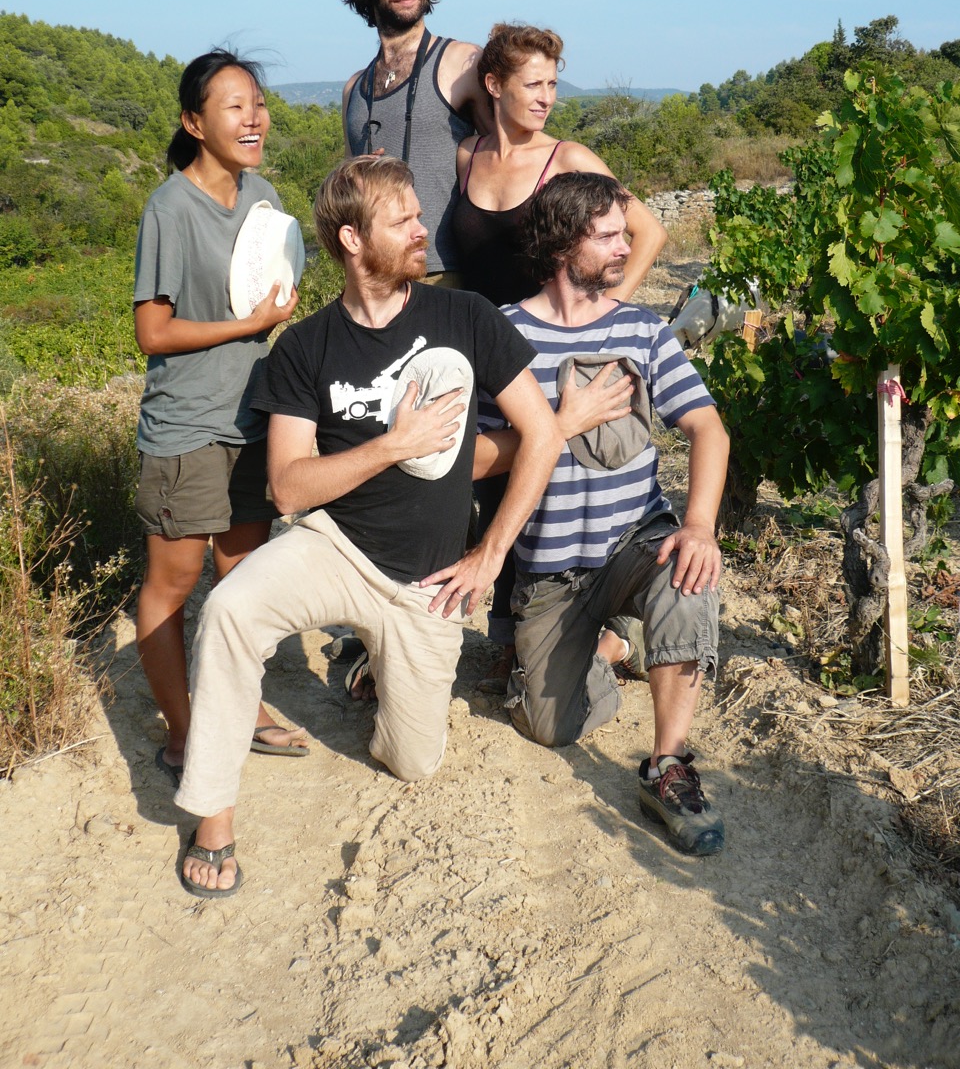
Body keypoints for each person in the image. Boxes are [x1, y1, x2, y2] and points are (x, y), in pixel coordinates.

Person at [175, 155, 563, 897]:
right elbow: (288, 485)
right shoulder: (306, 348)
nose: (423, 231)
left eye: (419, 215)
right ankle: (213, 818)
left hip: (428, 581)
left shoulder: (466, 316)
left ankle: (372, 665)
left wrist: (489, 554)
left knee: (414, 761)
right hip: (336, 547)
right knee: (227, 610)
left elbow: (540, 435)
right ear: (352, 240)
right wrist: (393, 444)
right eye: (403, 221)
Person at [475, 172, 730, 856]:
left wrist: (699, 526)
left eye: (625, 234)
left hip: (632, 545)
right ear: (562, 245)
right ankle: (615, 644)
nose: (626, 249)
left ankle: (667, 765)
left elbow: (709, 430)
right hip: (550, 573)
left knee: (688, 577)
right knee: (551, 726)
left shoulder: (641, 330)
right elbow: (469, 460)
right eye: (609, 236)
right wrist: (557, 424)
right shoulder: (502, 333)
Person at [451, 23, 668, 690]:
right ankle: (513, 634)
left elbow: (648, 229)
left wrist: (607, 324)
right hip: (486, 353)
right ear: (495, 86)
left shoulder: (569, 157)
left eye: (552, 81)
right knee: (492, 483)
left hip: (552, 355)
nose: (547, 95)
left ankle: (600, 632)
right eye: (533, 83)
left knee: (548, 489)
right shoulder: (466, 157)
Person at [134, 49, 308, 788]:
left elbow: (266, 291)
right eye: (234, 106)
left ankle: (247, 706)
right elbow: (154, 331)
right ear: (193, 121)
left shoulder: (262, 194)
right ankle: (183, 732)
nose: (254, 117)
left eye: (258, 103)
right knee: (172, 585)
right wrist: (249, 327)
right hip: (186, 427)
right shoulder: (169, 208)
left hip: (252, 416)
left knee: (241, 584)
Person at [338, 0, 492, 287]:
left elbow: (512, 158)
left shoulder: (462, 63)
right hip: (374, 278)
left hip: (447, 275)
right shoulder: (353, 90)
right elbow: (347, 194)